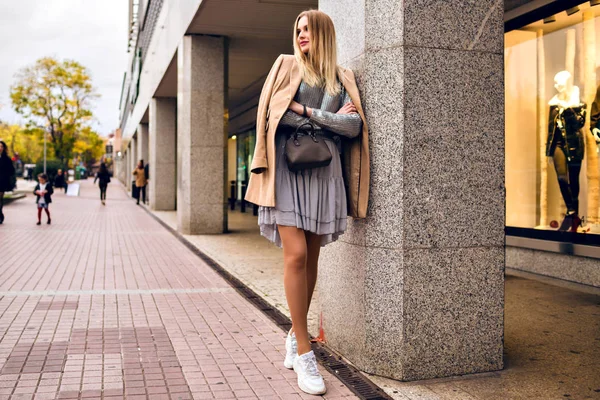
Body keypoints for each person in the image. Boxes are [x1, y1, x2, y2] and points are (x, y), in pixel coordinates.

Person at [244, 10, 369, 396]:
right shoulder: (284, 66)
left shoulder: (341, 77)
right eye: (297, 29)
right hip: (287, 171)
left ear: (323, 35)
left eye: (307, 30)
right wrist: (325, 117)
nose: (300, 36)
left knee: (312, 259)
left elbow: (354, 127)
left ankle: (294, 331)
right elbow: (274, 116)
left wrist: (307, 112)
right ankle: (303, 349)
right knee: (295, 255)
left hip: (324, 175)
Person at [0, 140, 16, 224]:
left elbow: (11, 170)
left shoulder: (6, 159)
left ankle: (0, 215)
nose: (0, 148)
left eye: (1, 146)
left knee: (0, 199)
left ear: (4, 148)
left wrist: (5, 175)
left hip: (2, 181)